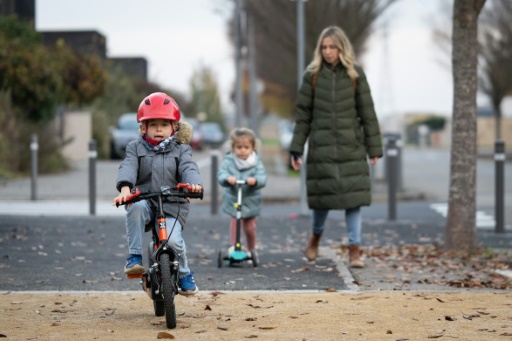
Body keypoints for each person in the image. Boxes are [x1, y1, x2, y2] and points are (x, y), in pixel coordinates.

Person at [289, 26, 383, 268]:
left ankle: (355, 250)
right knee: (322, 200)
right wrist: (296, 149)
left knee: (353, 200)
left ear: (342, 48)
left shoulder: (355, 75)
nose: (328, 52)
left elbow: (368, 114)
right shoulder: (312, 75)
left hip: (351, 147)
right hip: (321, 148)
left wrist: (374, 148)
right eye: (324, 47)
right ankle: (315, 238)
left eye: (333, 47)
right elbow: (303, 117)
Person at [113, 92, 202, 295]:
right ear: (144, 128)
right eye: (153, 124)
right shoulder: (135, 148)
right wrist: (126, 189)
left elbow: (189, 168)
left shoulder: (182, 149)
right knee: (134, 208)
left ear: (174, 127)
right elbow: (128, 166)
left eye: (164, 124)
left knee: (173, 241)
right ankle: (135, 257)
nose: (159, 129)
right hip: (146, 199)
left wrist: (193, 184)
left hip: (172, 203)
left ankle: (185, 273)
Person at [217, 127, 267, 262]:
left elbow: (262, 177)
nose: (243, 150)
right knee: (235, 222)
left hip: (250, 199)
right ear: (233, 147)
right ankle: (234, 247)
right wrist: (227, 178)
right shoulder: (229, 160)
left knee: (250, 227)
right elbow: (222, 173)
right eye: (239, 147)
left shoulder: (256, 162)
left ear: (252, 148)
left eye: (246, 147)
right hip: (234, 197)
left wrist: (255, 180)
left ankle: (251, 249)